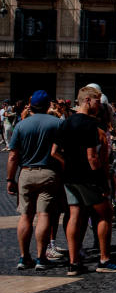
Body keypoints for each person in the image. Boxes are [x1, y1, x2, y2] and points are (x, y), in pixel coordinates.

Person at [51, 86, 116, 274]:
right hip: (89, 178)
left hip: (70, 178)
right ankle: (104, 260)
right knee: (104, 214)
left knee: (75, 215)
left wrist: (69, 165)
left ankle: (74, 263)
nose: (99, 107)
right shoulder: (91, 125)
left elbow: (54, 152)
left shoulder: (66, 123)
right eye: (97, 102)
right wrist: (102, 182)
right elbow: (93, 158)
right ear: (87, 101)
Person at [6, 90, 64, 270]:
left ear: (31, 106)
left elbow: (13, 156)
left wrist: (10, 179)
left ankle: (24, 257)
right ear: (48, 105)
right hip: (49, 173)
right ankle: (41, 258)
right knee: (44, 214)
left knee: (25, 216)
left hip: (26, 172)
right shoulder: (57, 123)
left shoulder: (22, 125)